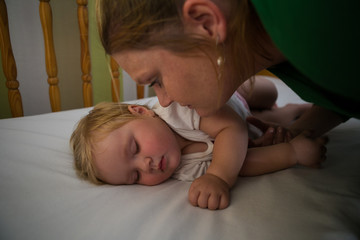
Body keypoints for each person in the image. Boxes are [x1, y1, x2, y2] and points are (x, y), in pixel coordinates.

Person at [95, 0, 360, 140]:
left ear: (205, 24)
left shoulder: (320, 17)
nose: (163, 101)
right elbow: (343, 91)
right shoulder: (271, 42)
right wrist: (301, 131)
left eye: (157, 80)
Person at [70, 94, 326, 210]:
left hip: (234, 98)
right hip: (247, 126)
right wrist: (291, 153)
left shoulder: (177, 109)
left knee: (265, 91)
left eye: (135, 148)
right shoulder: (183, 170)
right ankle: (282, 112)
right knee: (260, 124)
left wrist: (219, 178)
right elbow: (240, 163)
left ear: (141, 111)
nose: (145, 164)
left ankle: (270, 104)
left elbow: (231, 128)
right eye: (135, 176)